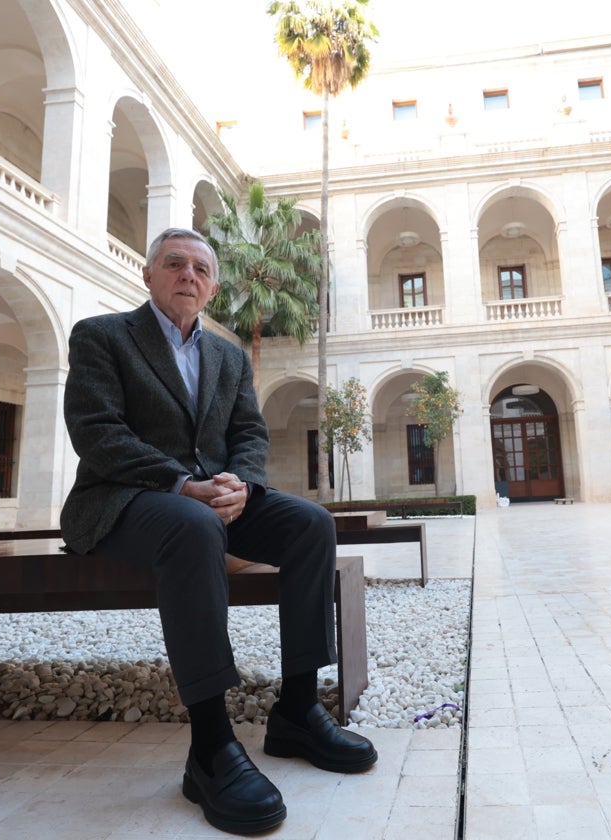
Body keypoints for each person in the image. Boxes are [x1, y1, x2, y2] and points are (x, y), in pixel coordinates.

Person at [61, 227, 376, 835]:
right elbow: (97, 433)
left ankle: (298, 710)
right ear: (149, 275)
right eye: (174, 264)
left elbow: (249, 434)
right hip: (125, 498)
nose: (188, 275)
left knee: (311, 524)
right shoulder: (102, 337)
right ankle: (208, 748)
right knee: (194, 527)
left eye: (201, 269)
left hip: (216, 497)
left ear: (212, 286)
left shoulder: (228, 355)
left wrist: (241, 484)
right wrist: (182, 484)